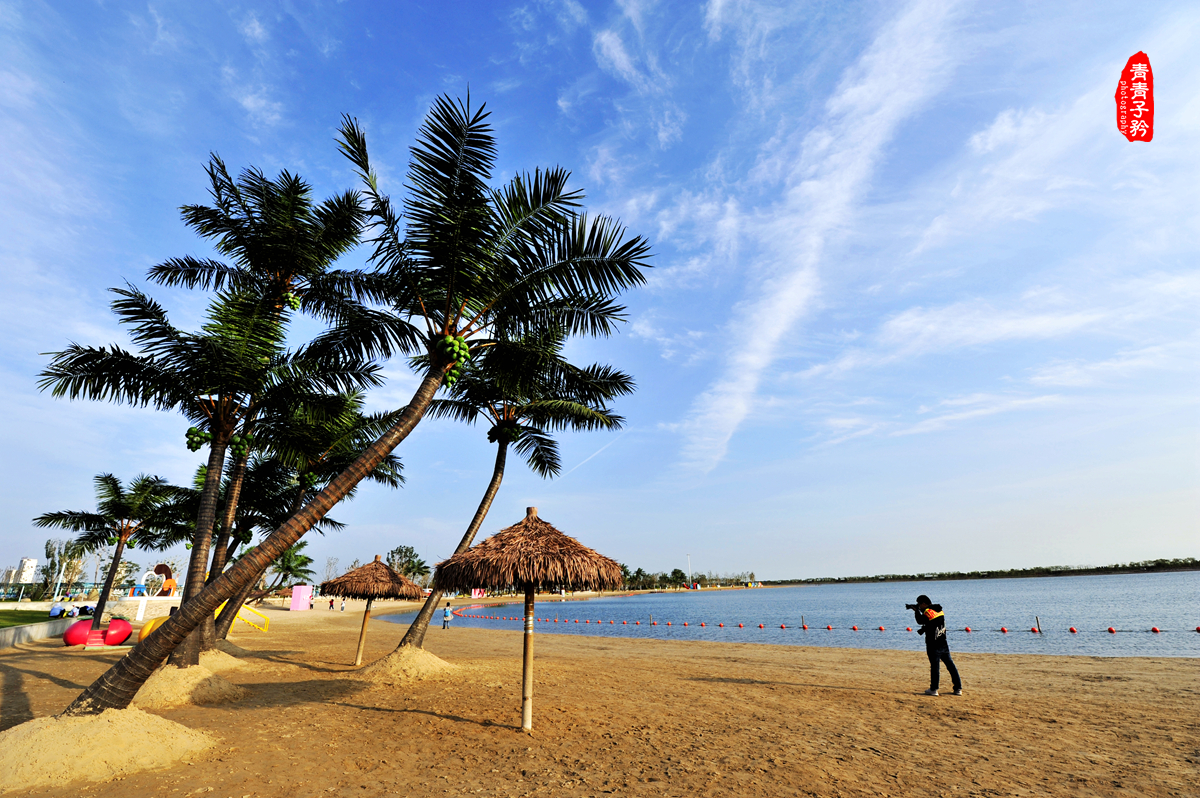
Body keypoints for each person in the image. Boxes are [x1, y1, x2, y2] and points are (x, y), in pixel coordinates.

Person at [913, 594, 962, 696]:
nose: (919, 606)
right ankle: (958, 688)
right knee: (951, 666)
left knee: (935, 667)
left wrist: (916, 611)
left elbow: (920, 621)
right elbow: (931, 622)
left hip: (933, 644)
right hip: (943, 642)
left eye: (919, 604)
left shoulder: (927, 612)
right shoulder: (939, 610)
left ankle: (934, 689)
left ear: (924, 603)